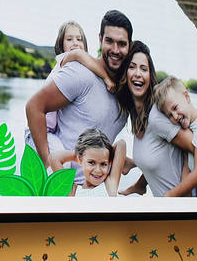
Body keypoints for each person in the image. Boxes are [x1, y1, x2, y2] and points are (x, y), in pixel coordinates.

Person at [25, 10, 131, 186]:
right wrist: (47, 163)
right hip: (51, 154)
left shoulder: (127, 88)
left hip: (84, 185)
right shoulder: (77, 70)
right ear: (100, 39)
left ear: (129, 46)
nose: (115, 49)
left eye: (121, 43)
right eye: (109, 41)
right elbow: (33, 107)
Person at [114, 42, 194, 197]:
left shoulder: (156, 115)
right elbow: (160, 155)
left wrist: (183, 195)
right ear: (125, 73)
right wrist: (139, 178)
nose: (138, 73)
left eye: (144, 69)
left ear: (150, 77)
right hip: (166, 209)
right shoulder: (137, 115)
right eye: (132, 67)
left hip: (182, 209)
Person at [154, 76, 197, 197]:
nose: (175, 116)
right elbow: (187, 162)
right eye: (169, 115)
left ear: (187, 97)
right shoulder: (190, 126)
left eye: (175, 108)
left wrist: (170, 195)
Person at [49, 128, 126, 197]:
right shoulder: (72, 191)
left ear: (109, 163)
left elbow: (121, 144)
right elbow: (54, 158)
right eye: (92, 162)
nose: (97, 170)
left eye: (103, 164)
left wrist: (105, 154)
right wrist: (82, 155)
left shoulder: (110, 185)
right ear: (80, 159)